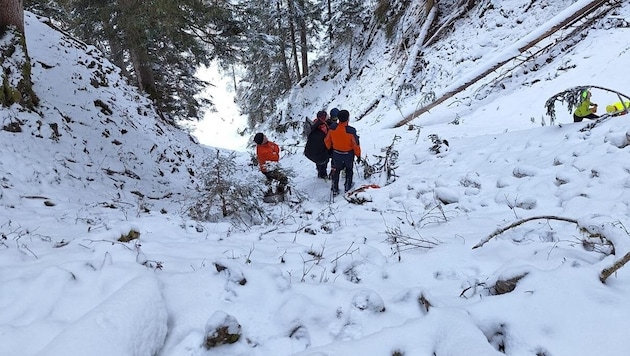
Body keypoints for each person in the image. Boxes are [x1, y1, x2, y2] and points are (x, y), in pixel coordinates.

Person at [324, 109, 361, 195]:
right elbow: (356, 144)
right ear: (348, 118)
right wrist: (358, 155)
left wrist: (329, 148)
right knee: (349, 170)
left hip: (336, 153)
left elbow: (327, 140)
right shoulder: (351, 131)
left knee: (336, 170)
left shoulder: (333, 128)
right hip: (348, 155)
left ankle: (334, 187)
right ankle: (348, 185)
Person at [304, 110, 330, 178]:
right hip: (322, 147)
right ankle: (323, 174)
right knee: (324, 159)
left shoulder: (314, 124)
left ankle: (319, 171)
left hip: (313, 148)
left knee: (318, 160)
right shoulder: (323, 127)